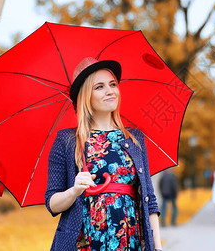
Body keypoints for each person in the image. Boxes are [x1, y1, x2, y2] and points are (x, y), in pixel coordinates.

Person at [45, 57, 162, 251]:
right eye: (99, 87)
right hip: (85, 241)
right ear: (85, 96)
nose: (110, 91)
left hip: (130, 239)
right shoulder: (67, 140)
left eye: (113, 84)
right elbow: (52, 203)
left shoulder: (134, 138)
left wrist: (157, 246)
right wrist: (74, 190)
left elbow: (149, 199)